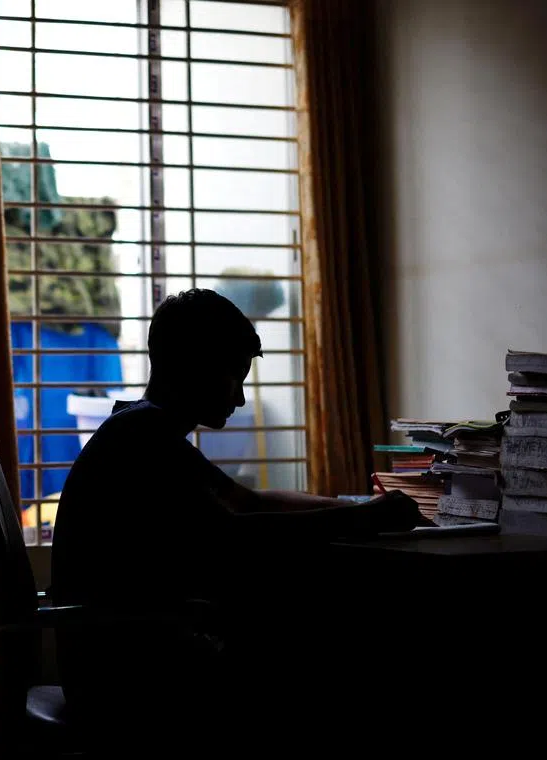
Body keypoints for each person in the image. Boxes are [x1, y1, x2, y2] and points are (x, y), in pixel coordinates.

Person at [50, 288, 428, 753]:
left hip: (121, 655)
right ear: (197, 366)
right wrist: (359, 520)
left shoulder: (143, 428)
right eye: (235, 377)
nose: (242, 398)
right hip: (125, 674)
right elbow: (232, 536)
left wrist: (352, 507)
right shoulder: (143, 439)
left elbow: (245, 501)